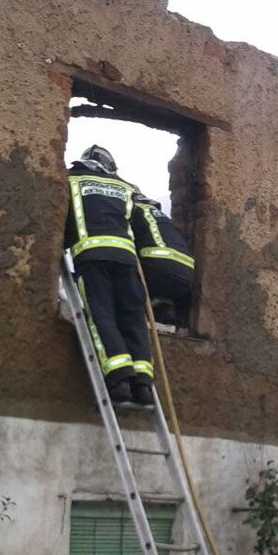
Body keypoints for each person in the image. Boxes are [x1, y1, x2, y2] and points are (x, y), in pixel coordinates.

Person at [63, 145, 154, 408]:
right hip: (127, 261)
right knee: (132, 317)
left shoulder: (71, 179)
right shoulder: (127, 187)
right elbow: (146, 221)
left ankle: (119, 380)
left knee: (101, 314)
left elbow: (58, 211)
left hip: (92, 258)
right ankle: (144, 385)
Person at [130, 195, 195, 326]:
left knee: (119, 269)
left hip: (157, 270)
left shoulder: (132, 212)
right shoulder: (164, 219)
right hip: (186, 277)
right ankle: (166, 312)